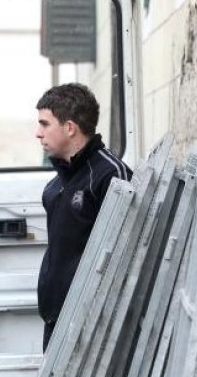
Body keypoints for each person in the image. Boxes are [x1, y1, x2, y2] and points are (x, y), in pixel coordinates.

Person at [35, 83, 131, 350]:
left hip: (92, 324)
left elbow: (125, 255)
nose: (37, 133)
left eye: (45, 124)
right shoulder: (56, 186)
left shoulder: (111, 176)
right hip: (56, 319)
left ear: (69, 127)